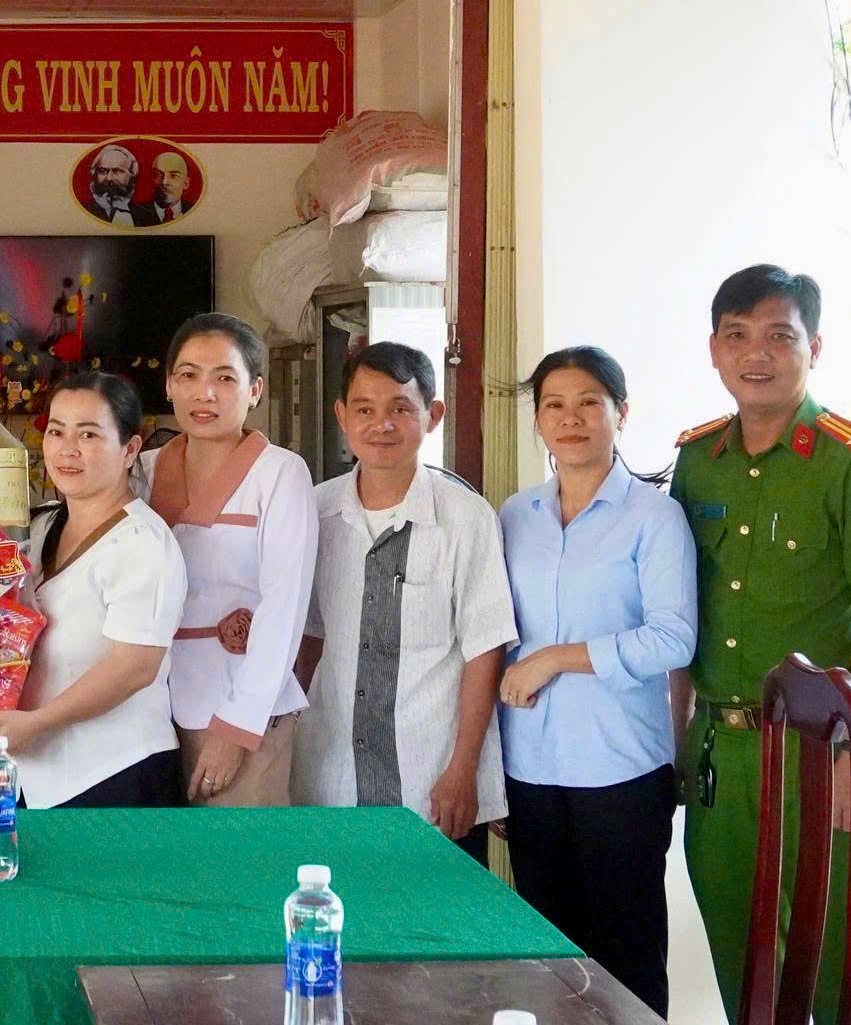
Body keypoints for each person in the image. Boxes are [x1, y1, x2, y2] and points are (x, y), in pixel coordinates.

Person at [672, 264, 851, 1023]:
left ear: (814, 347)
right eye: (738, 335)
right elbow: (682, 606)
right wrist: (677, 739)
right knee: (742, 964)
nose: (757, 354)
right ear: (714, 349)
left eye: (780, 335)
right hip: (721, 753)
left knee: (839, 968)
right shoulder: (696, 458)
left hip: (819, 753)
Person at [496, 347, 696, 1018]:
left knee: (626, 959)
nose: (571, 418)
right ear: (537, 420)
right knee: (546, 961)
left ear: (621, 413)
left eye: (589, 403)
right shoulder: (515, 515)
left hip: (621, 769)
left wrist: (556, 658)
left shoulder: (654, 516)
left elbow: (673, 638)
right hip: (531, 767)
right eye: (554, 405)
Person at [293, 343, 514, 863]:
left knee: (436, 914)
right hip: (330, 780)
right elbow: (308, 639)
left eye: (400, 408)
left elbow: (485, 649)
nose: (382, 425)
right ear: (342, 416)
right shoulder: (315, 512)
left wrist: (464, 770)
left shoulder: (466, 517)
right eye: (365, 409)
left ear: (433, 415)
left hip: (432, 781)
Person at [0, 371, 187, 807]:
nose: (67, 449)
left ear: (130, 449)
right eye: (56, 432)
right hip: (33, 772)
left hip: (114, 773)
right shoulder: (39, 526)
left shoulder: (142, 542)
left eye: (89, 434)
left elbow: (134, 667)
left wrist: (38, 723)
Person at [137, 312, 317, 806]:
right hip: (150, 714)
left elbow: (285, 608)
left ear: (255, 390)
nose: (205, 394)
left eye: (225, 378)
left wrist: (237, 727)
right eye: (189, 375)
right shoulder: (141, 471)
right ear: (169, 385)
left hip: (241, 707)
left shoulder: (280, 473)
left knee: (240, 851)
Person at [84, 143, 141, 227]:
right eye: (103, 171)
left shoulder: (146, 215)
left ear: (131, 176)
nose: (109, 178)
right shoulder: (83, 211)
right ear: (94, 174)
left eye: (117, 171)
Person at [147, 152, 192, 224]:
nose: (164, 182)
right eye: (157, 175)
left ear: (186, 183)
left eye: (173, 176)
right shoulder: (135, 213)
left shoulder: (196, 211)